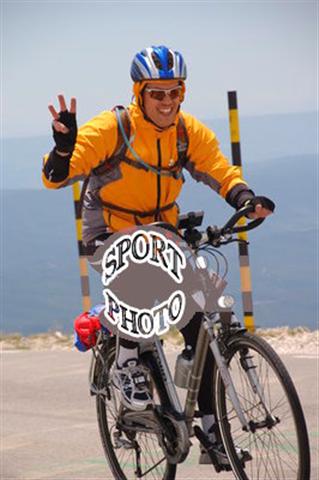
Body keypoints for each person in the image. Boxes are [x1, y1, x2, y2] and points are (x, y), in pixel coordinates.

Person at [42, 45, 274, 465]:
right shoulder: (113, 128)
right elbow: (56, 177)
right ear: (140, 93)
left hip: (162, 232)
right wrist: (62, 149)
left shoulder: (187, 132)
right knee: (141, 276)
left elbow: (217, 168)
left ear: (182, 93)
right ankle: (128, 359)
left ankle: (210, 432)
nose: (167, 101)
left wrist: (245, 197)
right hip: (108, 232)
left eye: (174, 92)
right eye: (157, 93)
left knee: (204, 316)